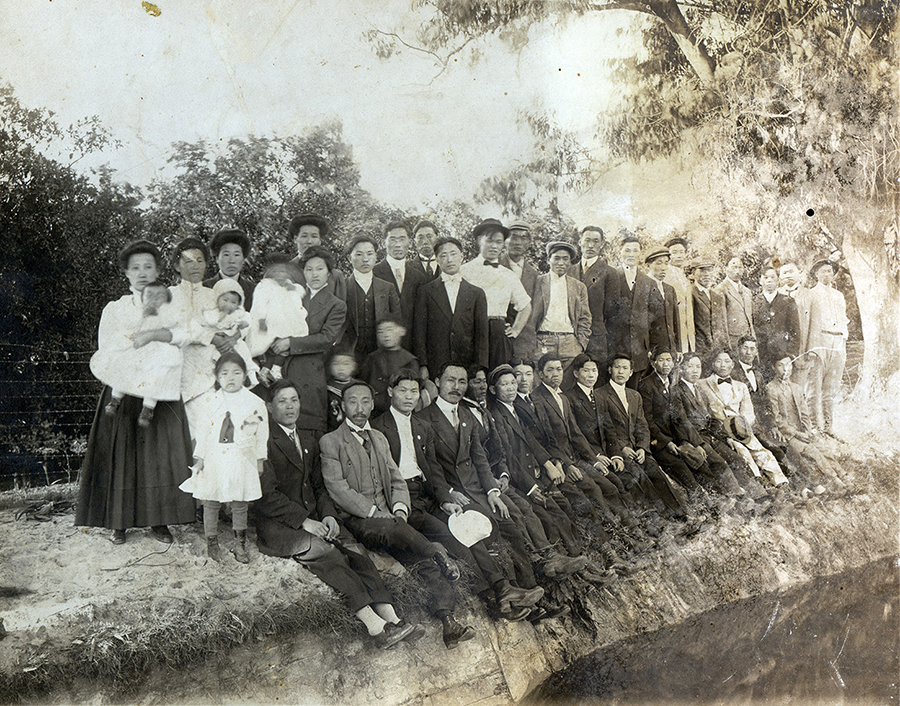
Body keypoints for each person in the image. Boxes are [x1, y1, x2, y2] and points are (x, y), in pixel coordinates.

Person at [254, 380, 423, 649]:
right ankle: (375, 627)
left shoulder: (307, 438)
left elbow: (319, 486)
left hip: (315, 517)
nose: (290, 406)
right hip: (280, 525)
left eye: (294, 400)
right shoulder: (261, 442)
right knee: (328, 553)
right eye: (283, 401)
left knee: (354, 549)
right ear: (269, 406)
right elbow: (266, 496)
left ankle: (393, 618)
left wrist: (329, 515)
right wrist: (305, 521)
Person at [371, 371, 548, 621]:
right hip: (399, 497)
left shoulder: (421, 425)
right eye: (403, 391)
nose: (409, 397)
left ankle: (503, 589)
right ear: (390, 392)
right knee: (456, 542)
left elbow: (432, 469)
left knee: (465, 527)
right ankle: (493, 598)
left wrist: (445, 498)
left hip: (426, 493)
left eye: (413, 392)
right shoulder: (378, 426)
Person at [320, 381, 477, 650]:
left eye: (366, 401)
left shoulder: (379, 438)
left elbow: (396, 479)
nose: (360, 408)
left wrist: (400, 510)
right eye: (353, 402)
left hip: (393, 523)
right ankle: (436, 551)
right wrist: (375, 513)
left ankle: (448, 622)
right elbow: (338, 488)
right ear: (342, 406)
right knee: (416, 544)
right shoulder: (331, 441)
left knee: (422, 564)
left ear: (372, 403)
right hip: (359, 521)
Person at [76, 240, 196, 545]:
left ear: (157, 270)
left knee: (157, 454)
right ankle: (119, 522)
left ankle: (158, 521)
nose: (142, 272)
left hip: (159, 386)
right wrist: (136, 340)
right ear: (126, 274)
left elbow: (184, 335)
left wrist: (156, 334)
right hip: (125, 386)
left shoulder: (170, 302)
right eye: (135, 267)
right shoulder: (116, 308)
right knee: (122, 452)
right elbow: (108, 346)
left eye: (148, 266)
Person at [415, 363, 551, 595]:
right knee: (491, 534)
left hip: (477, 489)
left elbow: (480, 458)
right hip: (454, 493)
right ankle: (507, 593)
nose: (456, 387)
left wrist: (492, 492)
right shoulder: (423, 419)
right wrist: (446, 493)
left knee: (512, 528)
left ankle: (532, 593)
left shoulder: (467, 414)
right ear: (437, 382)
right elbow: (430, 467)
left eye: (461, 382)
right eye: (450, 380)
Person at [180, 352, 266, 563]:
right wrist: (199, 457)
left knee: (239, 499)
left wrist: (259, 459)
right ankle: (212, 542)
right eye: (224, 373)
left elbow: (261, 434)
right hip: (215, 456)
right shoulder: (210, 401)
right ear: (217, 377)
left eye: (237, 372)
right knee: (211, 498)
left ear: (245, 375)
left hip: (241, 456)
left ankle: (240, 544)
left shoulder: (254, 402)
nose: (231, 377)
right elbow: (203, 432)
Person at [594, 353, 690, 520]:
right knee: (641, 477)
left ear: (631, 372)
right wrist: (622, 449)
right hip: (618, 451)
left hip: (637, 449)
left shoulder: (634, 395)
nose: (621, 372)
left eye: (625, 368)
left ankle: (681, 515)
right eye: (617, 367)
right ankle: (661, 519)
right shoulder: (600, 394)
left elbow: (642, 425)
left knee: (655, 471)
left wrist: (642, 448)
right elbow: (604, 429)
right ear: (610, 370)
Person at [265, 246, 347, 437]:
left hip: (310, 372)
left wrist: (291, 343)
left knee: (308, 428)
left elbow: (326, 338)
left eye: (320, 269)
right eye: (309, 269)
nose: (314, 274)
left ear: (329, 273)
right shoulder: (291, 297)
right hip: (282, 369)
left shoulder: (336, 305)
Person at [638, 348, 733, 501]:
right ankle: (702, 505)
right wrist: (667, 442)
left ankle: (722, 499)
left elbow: (680, 419)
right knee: (681, 467)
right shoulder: (646, 385)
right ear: (653, 362)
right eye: (661, 360)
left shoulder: (672, 384)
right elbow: (647, 421)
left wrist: (694, 442)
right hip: (659, 441)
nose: (665, 364)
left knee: (700, 459)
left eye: (668, 360)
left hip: (677, 438)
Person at [90, 280, 182, 428]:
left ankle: (148, 408)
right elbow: (133, 330)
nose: (154, 300)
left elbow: (171, 330)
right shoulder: (140, 314)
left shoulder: (166, 315)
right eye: (150, 295)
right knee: (126, 369)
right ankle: (115, 400)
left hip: (156, 351)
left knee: (156, 378)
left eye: (159, 297)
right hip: (140, 349)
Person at [696, 349, 789, 489]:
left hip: (740, 427)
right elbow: (704, 413)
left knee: (762, 452)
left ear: (733, 365)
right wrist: (725, 432)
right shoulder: (702, 384)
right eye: (719, 361)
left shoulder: (741, 386)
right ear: (713, 364)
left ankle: (782, 484)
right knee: (743, 452)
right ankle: (760, 484)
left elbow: (748, 412)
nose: (723, 365)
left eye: (727, 361)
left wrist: (741, 427)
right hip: (719, 430)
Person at [671, 352, 760, 499]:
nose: (695, 370)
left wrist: (726, 438)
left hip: (709, 435)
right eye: (690, 366)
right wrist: (698, 443)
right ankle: (740, 500)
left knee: (736, 459)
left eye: (698, 367)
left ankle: (759, 496)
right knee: (720, 463)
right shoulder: (677, 391)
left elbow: (711, 419)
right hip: (694, 437)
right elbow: (681, 421)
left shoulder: (699, 388)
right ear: (681, 369)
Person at [460, 219, 533, 369]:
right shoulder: (464, 271)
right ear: (480, 241)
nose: (494, 246)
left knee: (499, 375)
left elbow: (525, 306)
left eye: (499, 242)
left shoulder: (508, 274)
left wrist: (515, 330)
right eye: (490, 241)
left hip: (498, 331)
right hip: (471, 330)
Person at [413, 236, 489, 381]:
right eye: (443, 255)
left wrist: (480, 367)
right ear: (437, 259)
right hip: (437, 364)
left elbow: (482, 335)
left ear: (462, 256)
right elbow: (420, 332)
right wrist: (423, 365)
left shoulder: (476, 293)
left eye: (453, 254)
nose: (449, 259)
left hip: (467, 365)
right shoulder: (426, 292)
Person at [766, 357, 846, 491]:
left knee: (822, 448)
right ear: (774, 367)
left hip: (802, 432)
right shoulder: (771, 388)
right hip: (788, 434)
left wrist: (807, 431)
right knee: (811, 451)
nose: (786, 369)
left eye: (789, 365)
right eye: (781, 365)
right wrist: (797, 434)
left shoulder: (796, 387)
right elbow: (777, 419)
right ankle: (835, 480)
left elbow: (804, 413)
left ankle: (844, 474)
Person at [168, 237, 221, 408]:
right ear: (177, 266)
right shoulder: (170, 295)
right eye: (188, 261)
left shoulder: (213, 295)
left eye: (200, 261)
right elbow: (175, 330)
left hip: (209, 372)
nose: (195, 266)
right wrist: (210, 336)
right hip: (180, 370)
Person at [529, 241, 591, 377]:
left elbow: (585, 318)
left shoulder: (578, 287)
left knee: (569, 384)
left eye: (565, 259)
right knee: (541, 383)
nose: (561, 263)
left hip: (570, 343)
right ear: (548, 260)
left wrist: (580, 344)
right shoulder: (537, 282)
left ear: (570, 262)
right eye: (556, 258)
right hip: (544, 341)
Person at [248, 253, 308, 380]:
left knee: (286, 346)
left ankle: (274, 369)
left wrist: (292, 287)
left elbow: (301, 293)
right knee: (267, 345)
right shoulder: (265, 285)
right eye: (276, 272)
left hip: (286, 322)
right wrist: (262, 319)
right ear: (270, 273)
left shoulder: (289, 285)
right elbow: (259, 304)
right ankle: (265, 369)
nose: (280, 275)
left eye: (283, 272)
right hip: (269, 322)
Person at [805, 260, 849, 433]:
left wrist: (843, 338)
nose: (826, 275)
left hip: (837, 341)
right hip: (819, 340)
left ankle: (829, 428)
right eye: (823, 271)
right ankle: (815, 427)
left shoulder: (838, 295)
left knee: (831, 387)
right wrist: (811, 347)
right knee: (814, 386)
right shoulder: (810, 294)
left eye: (829, 272)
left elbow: (843, 319)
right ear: (816, 274)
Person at [342, 234, 401, 360]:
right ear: (349, 258)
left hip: (380, 355)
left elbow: (397, 321)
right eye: (359, 254)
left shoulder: (387, 287)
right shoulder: (342, 287)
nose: (365, 259)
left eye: (369, 254)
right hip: (349, 355)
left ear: (376, 256)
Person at [606, 236, 655, 387]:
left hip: (639, 351)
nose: (631, 254)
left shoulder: (648, 282)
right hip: (615, 348)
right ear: (619, 252)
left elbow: (655, 319)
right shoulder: (609, 277)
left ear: (640, 254)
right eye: (627, 250)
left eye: (635, 250)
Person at [373, 221, 429, 349]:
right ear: (384, 243)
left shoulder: (419, 277)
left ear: (409, 242)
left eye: (402, 239)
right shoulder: (374, 273)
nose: (398, 244)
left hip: (411, 349)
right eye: (392, 239)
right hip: (380, 349)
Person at [569, 226, 613, 384]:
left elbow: (611, 310)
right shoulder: (569, 270)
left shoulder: (610, 273)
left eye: (596, 241)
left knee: (597, 383)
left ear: (601, 244)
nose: (591, 245)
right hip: (571, 337)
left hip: (597, 340)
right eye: (587, 240)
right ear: (580, 242)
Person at [360, 316, 422, 416]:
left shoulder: (409, 361)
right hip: (374, 412)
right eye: (381, 332)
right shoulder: (372, 358)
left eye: (390, 330)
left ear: (402, 331)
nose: (386, 335)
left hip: (400, 412)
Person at [202, 279, 257, 383]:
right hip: (216, 341)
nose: (229, 304)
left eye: (233, 302)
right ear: (216, 298)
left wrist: (242, 325)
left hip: (235, 341)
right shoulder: (211, 312)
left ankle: (248, 373)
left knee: (243, 351)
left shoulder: (238, 313)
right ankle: (217, 377)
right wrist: (220, 316)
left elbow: (247, 322)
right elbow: (207, 323)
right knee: (212, 356)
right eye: (225, 300)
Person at [500, 221, 540, 362]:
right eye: (514, 237)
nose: (518, 242)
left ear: (529, 243)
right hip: (497, 337)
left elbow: (535, 311)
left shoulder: (534, 275)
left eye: (523, 238)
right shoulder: (493, 266)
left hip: (524, 341)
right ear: (505, 241)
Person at [752, 266, 801, 376]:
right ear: (760, 281)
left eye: (772, 277)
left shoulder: (788, 301)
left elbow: (795, 331)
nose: (769, 280)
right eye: (765, 277)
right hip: (760, 354)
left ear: (778, 280)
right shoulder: (753, 301)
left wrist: (790, 355)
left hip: (781, 354)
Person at [287, 213, 347, 300]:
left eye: (314, 236)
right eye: (304, 236)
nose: (309, 241)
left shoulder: (335, 276)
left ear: (319, 241)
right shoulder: (284, 272)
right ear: (296, 239)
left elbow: (341, 310)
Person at [203, 227, 256, 309]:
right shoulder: (204, 288)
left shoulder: (254, 290)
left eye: (236, 255)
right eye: (226, 255)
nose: (232, 261)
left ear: (243, 259)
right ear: (217, 259)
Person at [712, 256, 755, 350]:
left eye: (740, 267)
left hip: (748, 341)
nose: (737, 271)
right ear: (726, 269)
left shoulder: (747, 291)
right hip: (733, 341)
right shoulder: (720, 290)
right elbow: (720, 323)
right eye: (734, 267)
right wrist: (726, 347)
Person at [644, 247, 679, 357]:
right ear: (648, 265)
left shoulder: (670, 289)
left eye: (666, 264)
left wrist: (677, 349)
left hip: (670, 349)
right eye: (659, 263)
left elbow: (675, 322)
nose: (663, 268)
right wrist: (646, 349)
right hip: (652, 350)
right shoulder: (642, 287)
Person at [663, 237, 696, 353]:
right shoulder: (665, 274)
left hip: (687, 330)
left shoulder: (683, 275)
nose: (679, 256)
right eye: (675, 252)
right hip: (673, 328)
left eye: (681, 252)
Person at [691, 261, 721, 355]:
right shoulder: (690, 293)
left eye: (709, 271)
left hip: (715, 347)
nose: (707, 274)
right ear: (693, 273)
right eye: (702, 271)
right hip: (699, 347)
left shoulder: (715, 295)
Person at [325, 350, 358, 432]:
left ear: (354, 365)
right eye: (336, 364)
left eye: (346, 364)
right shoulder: (326, 389)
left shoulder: (359, 387)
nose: (341, 368)